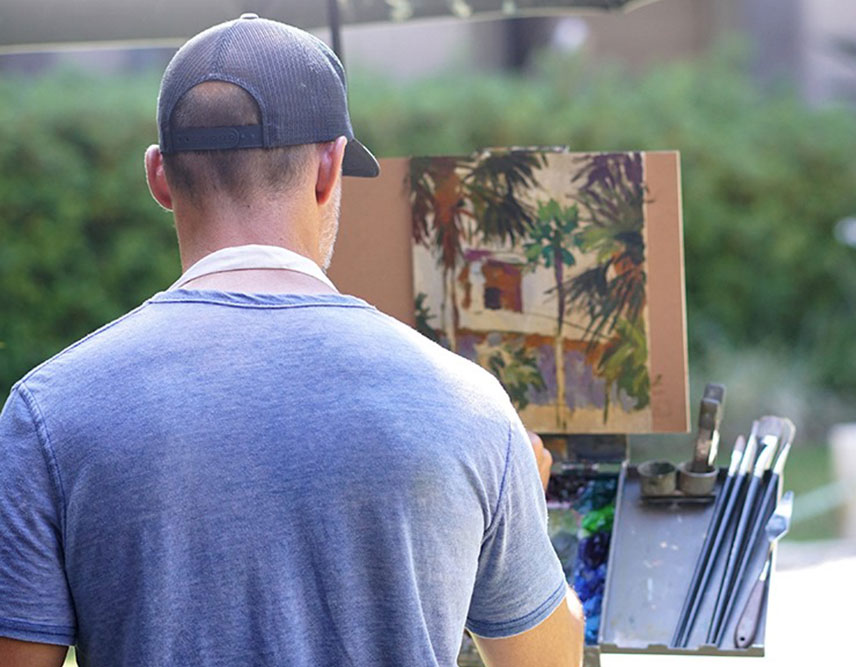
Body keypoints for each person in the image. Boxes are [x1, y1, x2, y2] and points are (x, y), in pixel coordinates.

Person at [0, 14, 583, 667]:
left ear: (159, 176)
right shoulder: (470, 406)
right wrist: (523, 513)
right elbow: (548, 661)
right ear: (330, 168)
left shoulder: (47, 413)